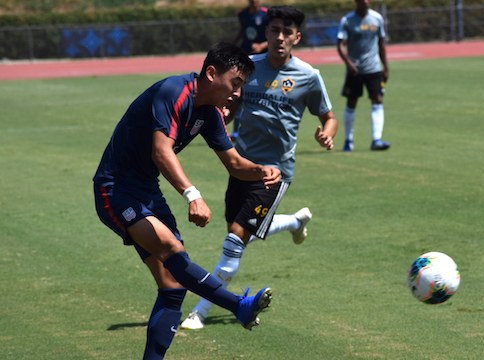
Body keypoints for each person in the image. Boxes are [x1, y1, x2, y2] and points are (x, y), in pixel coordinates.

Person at [93, 42, 282, 360]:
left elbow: (235, 165)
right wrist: (192, 195)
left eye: (241, 86)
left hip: (147, 192)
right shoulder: (175, 90)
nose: (237, 93)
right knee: (172, 251)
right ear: (211, 73)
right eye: (235, 82)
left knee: (173, 286)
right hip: (115, 190)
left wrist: (264, 171)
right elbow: (161, 151)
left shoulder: (209, 114)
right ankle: (239, 306)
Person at [180, 5, 337, 330]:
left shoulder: (309, 76)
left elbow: (328, 117)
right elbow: (233, 102)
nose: (280, 37)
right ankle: (294, 222)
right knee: (238, 234)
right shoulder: (250, 69)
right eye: (274, 30)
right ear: (266, 33)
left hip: (275, 173)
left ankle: (201, 311)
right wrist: (225, 115)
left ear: (297, 37)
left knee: (236, 239)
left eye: (286, 32)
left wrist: (327, 133)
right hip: (242, 167)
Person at [337, 0, 390, 151]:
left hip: (373, 68)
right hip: (355, 70)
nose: (365, 2)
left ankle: (376, 139)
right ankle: (348, 141)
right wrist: (348, 63)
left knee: (377, 100)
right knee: (351, 102)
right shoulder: (347, 20)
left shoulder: (377, 18)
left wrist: (385, 66)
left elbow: (381, 44)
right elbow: (340, 44)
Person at [230, 0, 269, 141]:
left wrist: (261, 45)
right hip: (245, 57)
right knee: (240, 91)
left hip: (262, 59)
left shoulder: (266, 14)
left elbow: (272, 36)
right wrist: (232, 44)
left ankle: (261, 127)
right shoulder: (242, 14)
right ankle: (235, 131)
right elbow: (243, 30)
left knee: (258, 92)